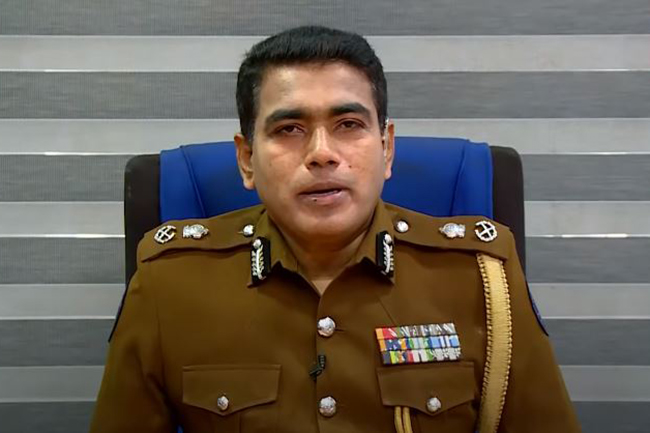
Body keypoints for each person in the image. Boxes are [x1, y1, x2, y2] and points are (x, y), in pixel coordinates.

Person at [90, 26, 581, 432]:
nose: (322, 153)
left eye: (348, 124)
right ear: (246, 159)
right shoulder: (168, 284)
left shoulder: (481, 277)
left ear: (387, 149)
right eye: (289, 129)